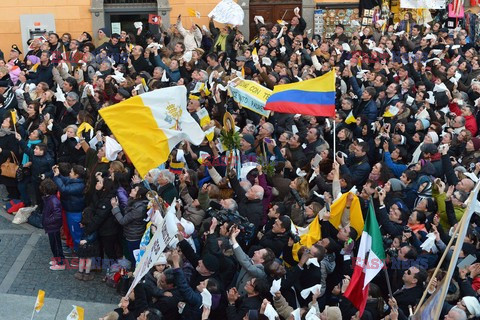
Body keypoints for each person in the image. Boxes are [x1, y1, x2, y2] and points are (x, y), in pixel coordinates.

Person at [40, 178, 65, 270]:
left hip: (53, 226)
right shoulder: (50, 199)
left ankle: (61, 263)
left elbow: (57, 216)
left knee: (56, 245)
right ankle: (57, 259)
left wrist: (47, 221)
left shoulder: (53, 201)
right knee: (54, 244)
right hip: (52, 226)